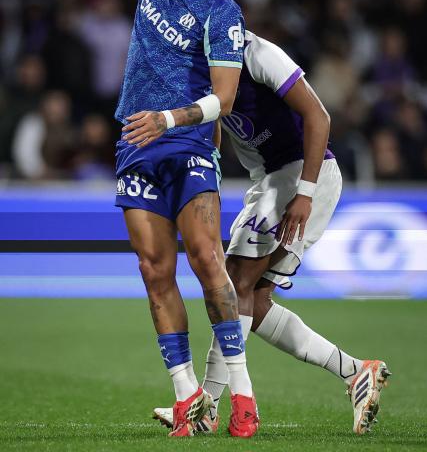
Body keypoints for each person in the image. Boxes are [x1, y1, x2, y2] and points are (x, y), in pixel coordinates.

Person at [70, 0, 258, 438]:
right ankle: (186, 402)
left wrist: (170, 120)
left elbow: (225, 99)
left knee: (207, 261)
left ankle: (242, 397)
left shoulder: (221, 12)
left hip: (186, 143)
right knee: (155, 272)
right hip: (136, 143)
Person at [151, 31, 391, 435]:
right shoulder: (201, 68)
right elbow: (215, 127)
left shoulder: (256, 53)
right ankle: (356, 372)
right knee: (254, 301)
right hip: (269, 181)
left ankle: (206, 406)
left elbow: (319, 117)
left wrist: (305, 193)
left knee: (233, 283)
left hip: (301, 175)